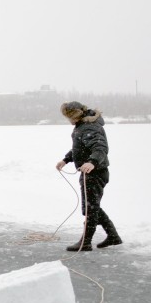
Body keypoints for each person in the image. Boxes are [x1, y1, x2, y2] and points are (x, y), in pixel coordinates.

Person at [56, 101, 123, 252]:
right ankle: (113, 235)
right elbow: (79, 148)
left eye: (69, 117)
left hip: (95, 172)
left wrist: (92, 162)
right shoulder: (82, 127)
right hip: (90, 172)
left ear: (75, 115)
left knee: (91, 209)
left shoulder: (90, 127)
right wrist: (66, 159)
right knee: (90, 207)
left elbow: (100, 147)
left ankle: (86, 242)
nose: (68, 121)